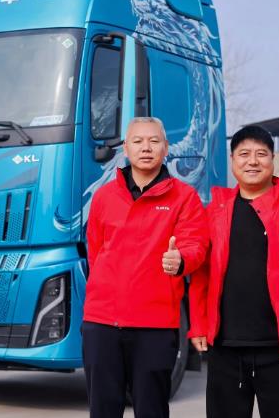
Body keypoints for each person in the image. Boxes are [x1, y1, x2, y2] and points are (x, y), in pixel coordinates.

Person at [189, 125, 279, 418]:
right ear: (233, 160)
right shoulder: (215, 211)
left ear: (272, 159)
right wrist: (198, 325)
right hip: (226, 347)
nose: (253, 161)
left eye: (261, 154)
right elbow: (202, 274)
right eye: (244, 154)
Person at [83, 117, 209, 418]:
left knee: (152, 409)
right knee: (102, 410)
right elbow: (95, 251)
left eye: (154, 141)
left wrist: (181, 260)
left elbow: (196, 245)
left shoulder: (184, 197)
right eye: (138, 141)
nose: (146, 148)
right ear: (126, 149)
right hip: (102, 323)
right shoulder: (104, 196)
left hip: (155, 325)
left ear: (166, 148)